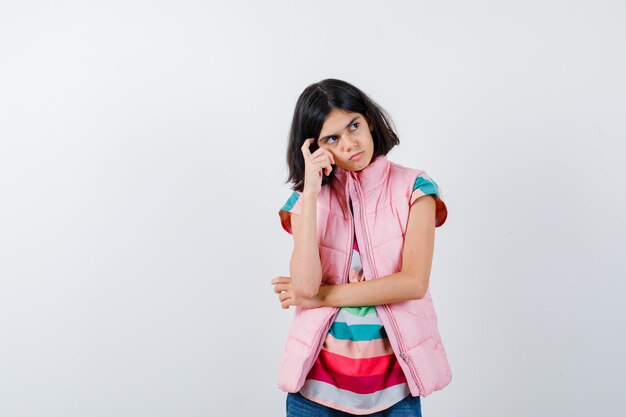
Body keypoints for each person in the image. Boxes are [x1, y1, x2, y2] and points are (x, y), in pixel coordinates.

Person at [271, 79, 451, 417]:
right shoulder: (304, 201)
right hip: (314, 395)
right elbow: (306, 284)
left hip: (394, 394)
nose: (351, 143)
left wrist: (318, 296)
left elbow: (412, 284)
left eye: (354, 125)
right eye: (332, 138)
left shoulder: (416, 188)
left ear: (368, 119)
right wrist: (309, 192)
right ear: (313, 147)